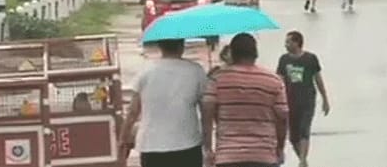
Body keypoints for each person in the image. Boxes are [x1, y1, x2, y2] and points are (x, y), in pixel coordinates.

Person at [118, 39, 209, 167]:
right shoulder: (196, 71)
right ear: (181, 46)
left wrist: (123, 139)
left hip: (152, 146)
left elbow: (133, 111)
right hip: (187, 143)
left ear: (160, 46)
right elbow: (206, 110)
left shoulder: (145, 72)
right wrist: (208, 143)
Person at [202, 33, 288, 167]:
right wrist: (280, 148)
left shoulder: (217, 79)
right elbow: (282, 117)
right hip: (264, 156)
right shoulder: (274, 80)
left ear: (233, 53)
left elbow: (207, 112)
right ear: (255, 53)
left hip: (228, 156)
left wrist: (208, 149)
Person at [276, 31, 330, 167]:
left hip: (307, 100)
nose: (286, 45)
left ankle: (302, 160)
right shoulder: (284, 60)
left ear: (297, 43)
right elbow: (279, 80)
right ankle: (302, 158)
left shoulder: (310, 59)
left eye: (288, 42)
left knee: (304, 129)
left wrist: (325, 98)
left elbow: (318, 79)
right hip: (290, 101)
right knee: (293, 136)